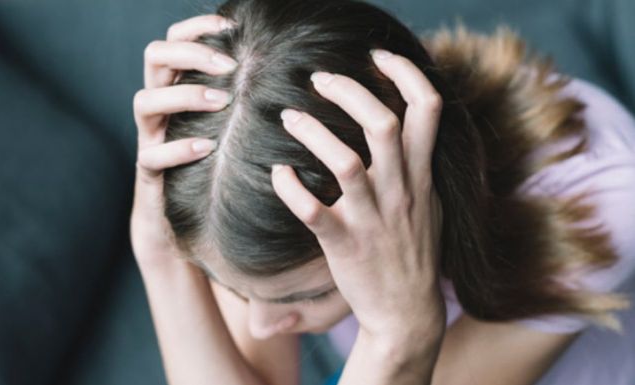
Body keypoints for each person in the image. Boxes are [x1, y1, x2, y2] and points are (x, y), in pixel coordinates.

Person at [129, 0, 635, 384]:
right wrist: (159, 252)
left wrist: (401, 336)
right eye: (237, 290)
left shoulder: (606, 207)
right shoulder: (264, 170)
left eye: (310, 293)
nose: (263, 327)